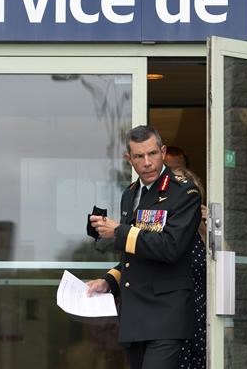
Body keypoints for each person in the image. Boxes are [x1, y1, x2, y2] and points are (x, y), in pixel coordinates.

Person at [87, 125, 202, 369]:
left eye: (152, 154)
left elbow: (171, 247)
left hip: (166, 316)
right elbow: (134, 256)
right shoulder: (129, 194)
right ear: (129, 159)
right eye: (139, 156)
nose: (147, 162)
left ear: (163, 152)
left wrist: (119, 231)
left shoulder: (185, 192)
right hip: (134, 316)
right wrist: (109, 281)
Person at [171, 167, 207, 369]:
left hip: (202, 313)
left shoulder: (203, 228)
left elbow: (224, 261)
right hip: (172, 314)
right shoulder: (164, 226)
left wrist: (205, 226)